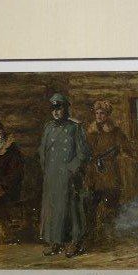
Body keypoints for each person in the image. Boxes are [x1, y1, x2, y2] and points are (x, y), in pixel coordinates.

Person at [39, 93, 91, 257]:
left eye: (59, 108)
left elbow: (83, 154)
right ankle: (55, 241)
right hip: (51, 175)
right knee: (52, 209)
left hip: (69, 176)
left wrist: (72, 169)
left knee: (71, 209)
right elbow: (42, 151)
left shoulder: (75, 128)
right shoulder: (48, 127)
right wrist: (46, 170)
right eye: (53, 109)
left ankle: (74, 242)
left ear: (66, 109)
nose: (55, 112)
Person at [86, 99, 136, 236]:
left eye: (102, 113)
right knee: (91, 205)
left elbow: (126, 148)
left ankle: (108, 235)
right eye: (97, 113)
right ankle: (93, 235)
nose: (99, 116)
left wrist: (121, 154)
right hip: (94, 173)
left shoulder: (116, 132)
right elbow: (85, 150)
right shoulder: (90, 132)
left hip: (110, 173)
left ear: (108, 115)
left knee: (111, 205)